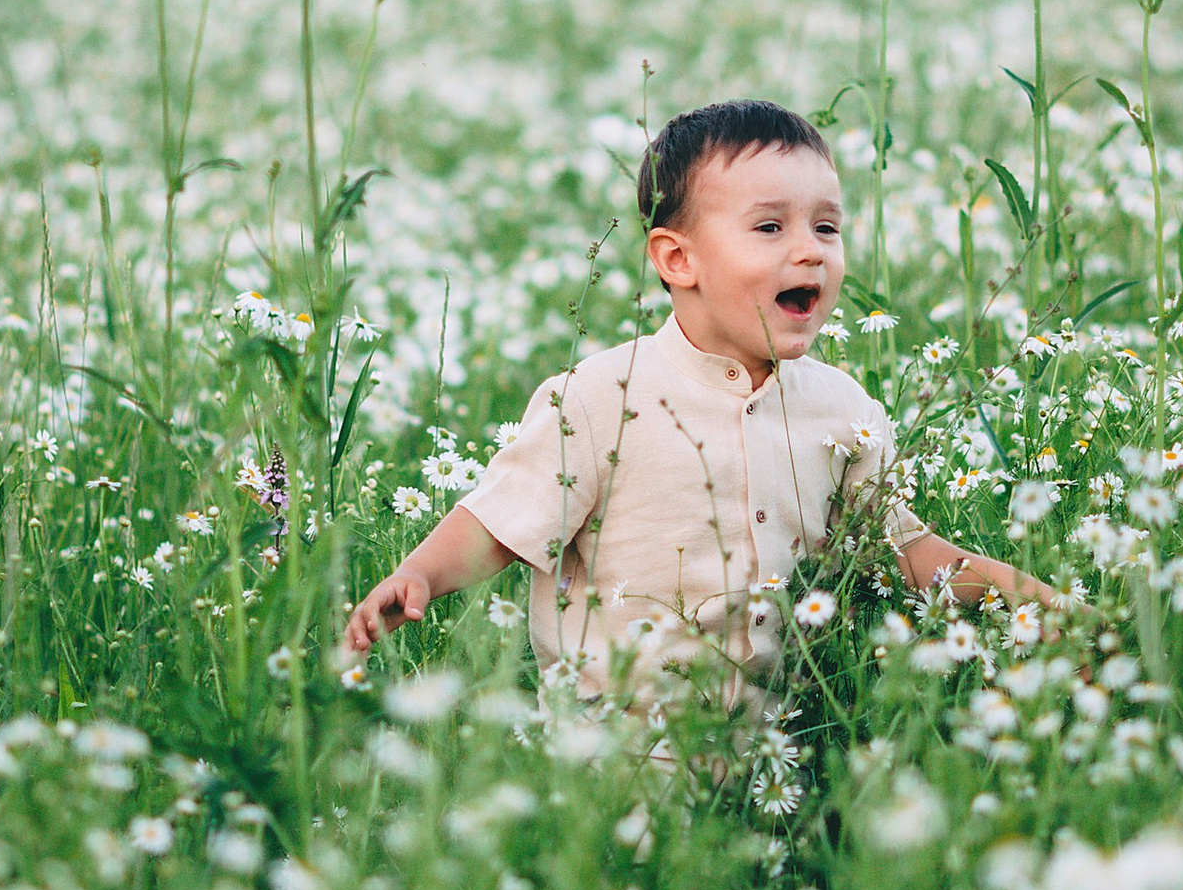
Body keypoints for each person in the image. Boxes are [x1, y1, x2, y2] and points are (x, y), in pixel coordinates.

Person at [344, 97, 1058, 689]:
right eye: (771, 227)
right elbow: (504, 521)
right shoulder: (599, 398)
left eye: (827, 226)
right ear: (677, 259)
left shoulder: (845, 411)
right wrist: (420, 577)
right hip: (621, 738)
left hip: (788, 737)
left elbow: (901, 551)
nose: (809, 249)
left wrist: (1034, 601)